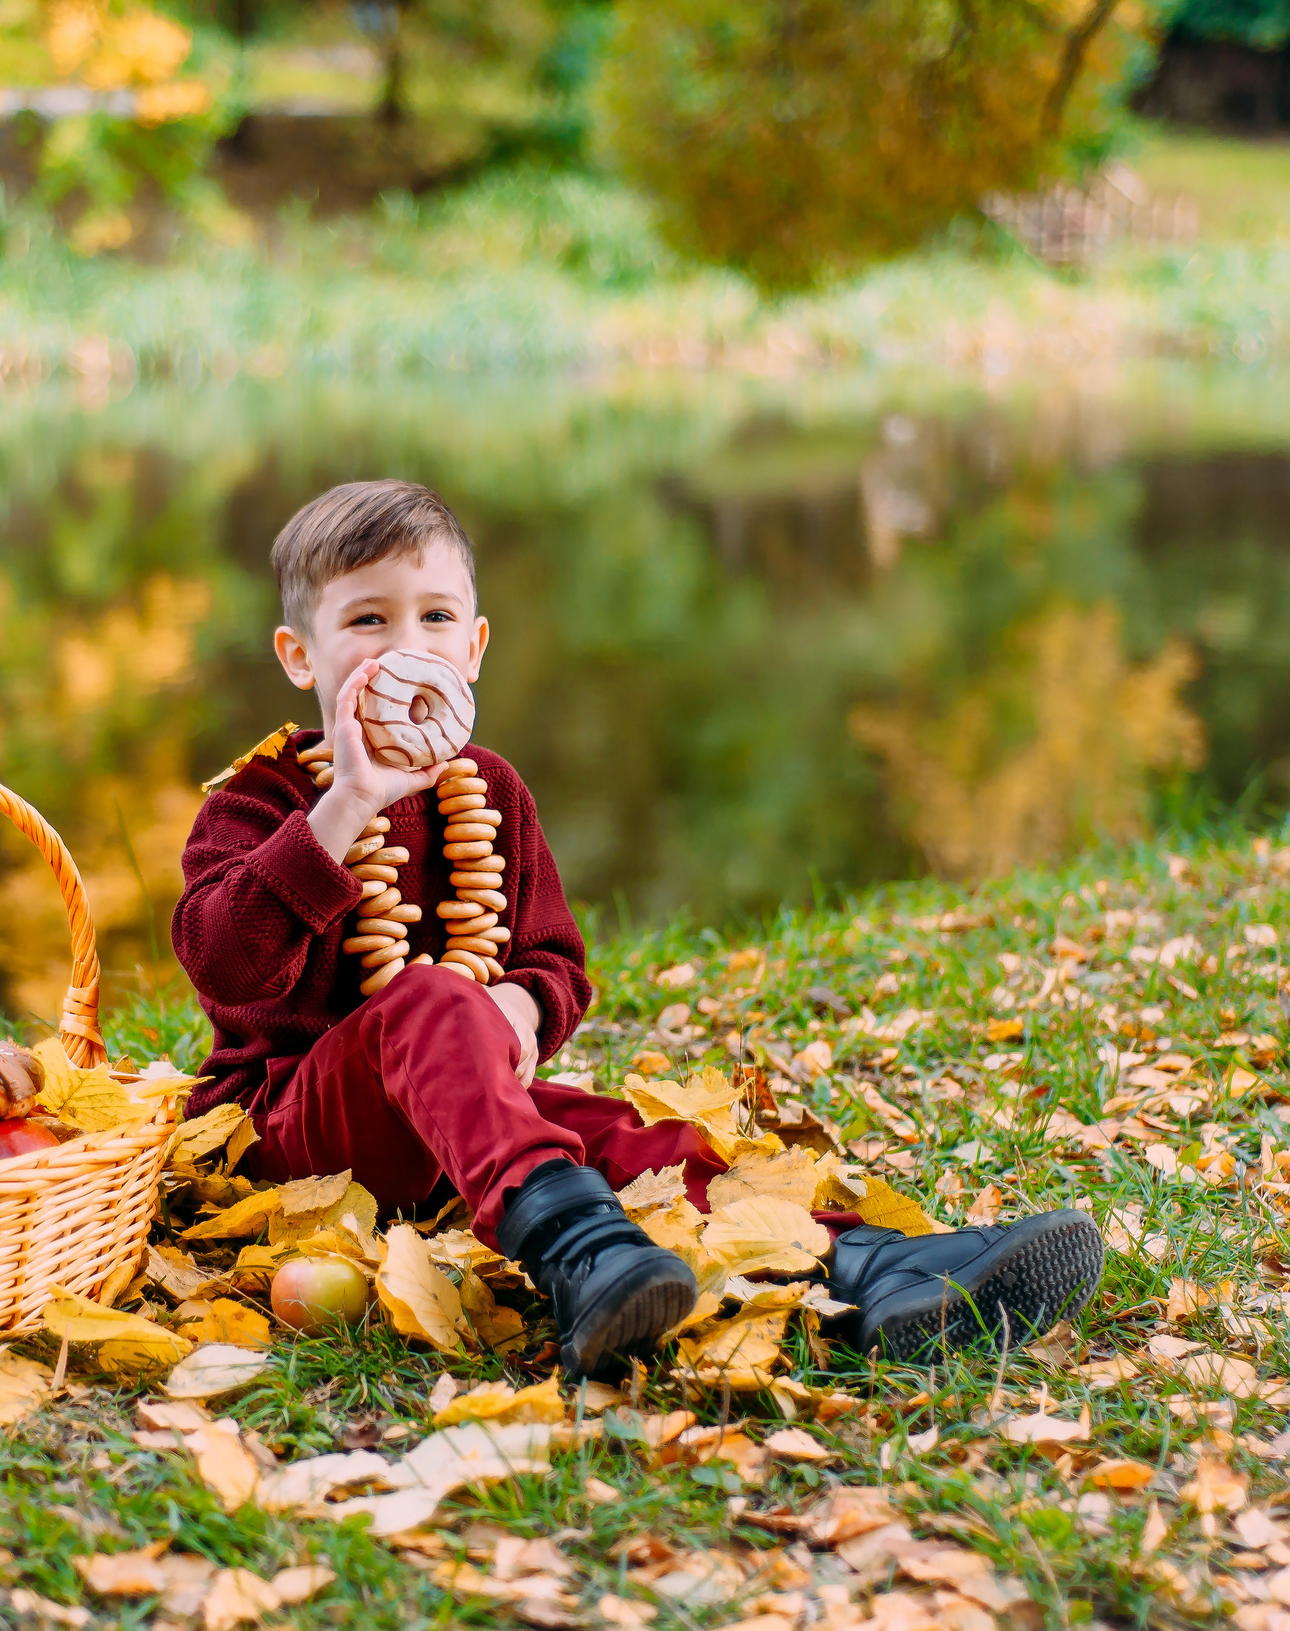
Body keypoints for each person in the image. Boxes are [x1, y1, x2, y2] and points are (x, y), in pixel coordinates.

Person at [173, 478, 1101, 1378]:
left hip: (466, 1140)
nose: (407, 644)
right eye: (368, 620)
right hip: (298, 1138)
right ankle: (580, 1252)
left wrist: (522, 1015)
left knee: (630, 1142)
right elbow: (221, 959)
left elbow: (554, 962)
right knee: (429, 999)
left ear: (477, 646)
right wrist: (344, 808)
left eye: (437, 618)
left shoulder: (488, 792)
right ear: (302, 657)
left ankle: (874, 1268)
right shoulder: (263, 802)